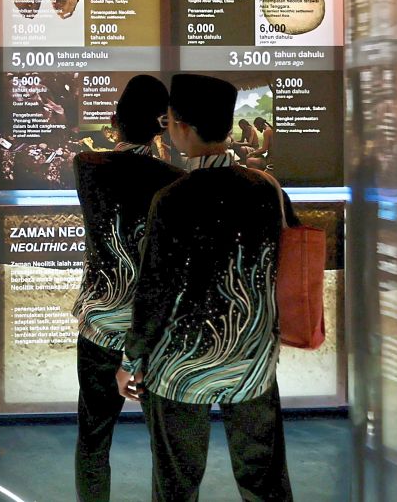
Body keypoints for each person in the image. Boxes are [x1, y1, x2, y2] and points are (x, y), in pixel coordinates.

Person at [119, 74, 294, 502]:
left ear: (179, 124)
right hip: (250, 360)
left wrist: (131, 358)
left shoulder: (173, 197)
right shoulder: (265, 189)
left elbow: (156, 290)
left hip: (181, 367)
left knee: (177, 485)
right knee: (264, 482)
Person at [71, 75, 183, 502]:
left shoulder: (87, 167)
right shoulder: (174, 180)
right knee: (165, 445)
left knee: (94, 436)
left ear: (114, 121)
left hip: (100, 325)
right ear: (163, 125)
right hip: (154, 332)